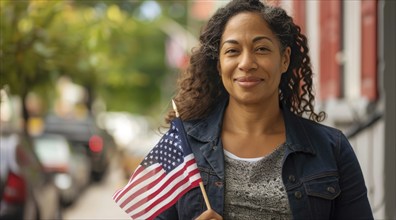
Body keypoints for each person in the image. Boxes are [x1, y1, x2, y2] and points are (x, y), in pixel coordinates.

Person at [157, 0, 374, 219]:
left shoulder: (331, 148)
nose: (246, 63)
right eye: (232, 51)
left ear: (285, 59)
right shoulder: (183, 146)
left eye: (261, 49)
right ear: (219, 64)